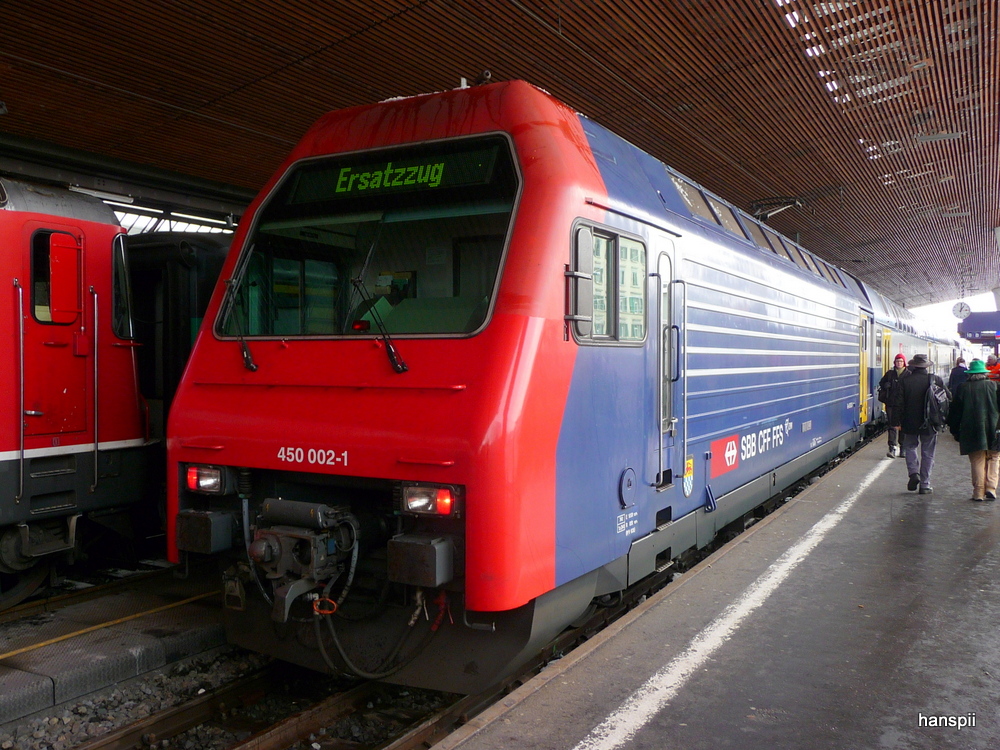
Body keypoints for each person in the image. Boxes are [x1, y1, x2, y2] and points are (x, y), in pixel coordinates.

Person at [893, 354, 949, 494]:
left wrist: (896, 422)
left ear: (913, 366)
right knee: (928, 453)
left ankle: (913, 473)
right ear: (926, 366)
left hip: (909, 422)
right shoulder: (935, 380)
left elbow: (898, 404)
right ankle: (925, 484)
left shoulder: (905, 381)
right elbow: (947, 399)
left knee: (910, 447)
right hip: (930, 422)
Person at [947, 359, 1000, 501]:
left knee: (977, 459)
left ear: (970, 374)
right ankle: (991, 488)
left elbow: (955, 411)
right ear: (985, 373)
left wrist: (954, 430)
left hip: (971, 429)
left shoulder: (963, 388)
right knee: (994, 457)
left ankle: (978, 492)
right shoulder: (994, 386)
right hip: (994, 429)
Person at [878, 353, 908, 458]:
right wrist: (885, 386)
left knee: (903, 426)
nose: (899, 363)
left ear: (904, 363)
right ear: (894, 363)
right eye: (897, 361)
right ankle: (892, 447)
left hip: (903, 405)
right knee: (892, 426)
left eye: (901, 361)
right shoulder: (890, 374)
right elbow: (881, 383)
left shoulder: (908, 374)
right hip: (891, 404)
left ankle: (903, 448)